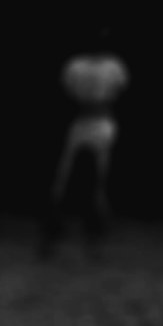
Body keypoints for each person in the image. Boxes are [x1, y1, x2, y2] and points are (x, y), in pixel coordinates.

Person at [42, 24, 129, 251]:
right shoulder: (76, 65)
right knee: (63, 176)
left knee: (99, 176)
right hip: (81, 121)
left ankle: (95, 230)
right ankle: (54, 228)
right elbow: (67, 92)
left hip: (101, 122)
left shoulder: (113, 65)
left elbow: (119, 92)